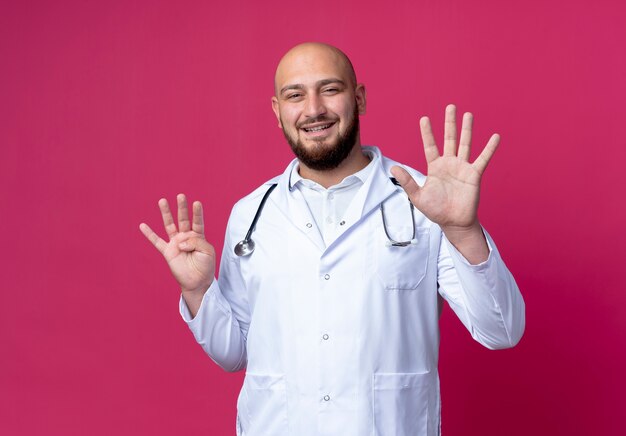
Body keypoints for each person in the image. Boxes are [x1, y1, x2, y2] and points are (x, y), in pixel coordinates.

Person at [139, 42, 525, 436]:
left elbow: (501, 330)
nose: (313, 109)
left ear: (358, 99)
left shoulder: (424, 203)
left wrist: (462, 230)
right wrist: (200, 291)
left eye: (330, 89)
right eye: (295, 95)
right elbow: (233, 353)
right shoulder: (251, 214)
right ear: (277, 111)